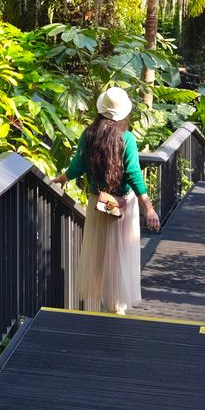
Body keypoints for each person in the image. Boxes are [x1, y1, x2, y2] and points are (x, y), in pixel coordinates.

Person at [52, 87, 160, 315]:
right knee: (121, 255)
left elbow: (77, 167)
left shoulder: (89, 135)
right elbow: (133, 174)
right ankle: (117, 306)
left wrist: (60, 179)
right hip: (123, 206)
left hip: (98, 204)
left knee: (100, 254)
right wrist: (148, 208)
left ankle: (104, 306)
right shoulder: (126, 138)